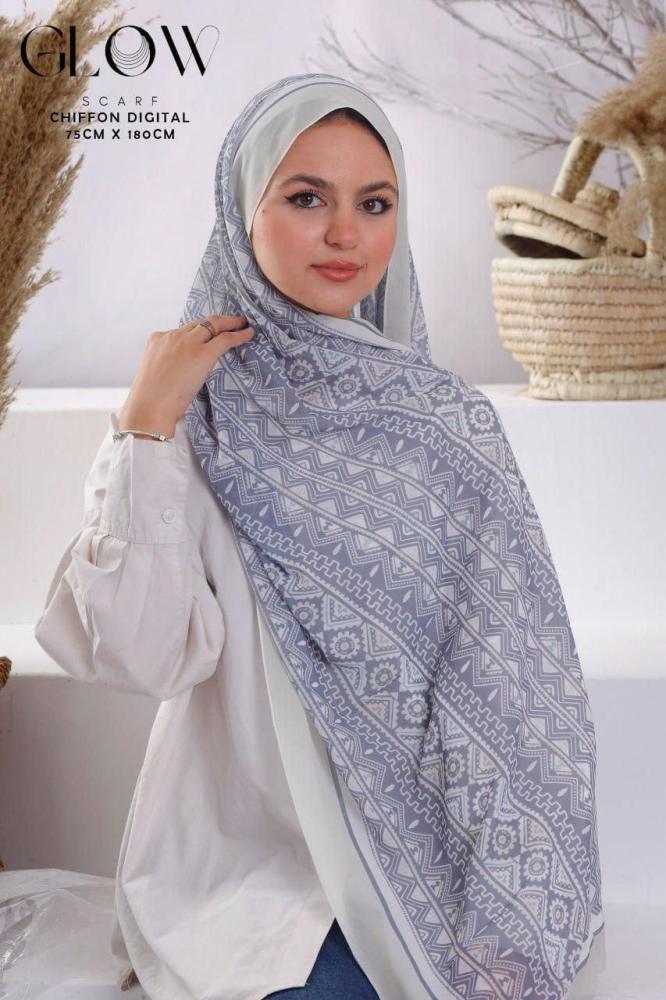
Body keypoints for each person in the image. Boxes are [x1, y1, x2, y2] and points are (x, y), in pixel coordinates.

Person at [34, 73, 604, 1000]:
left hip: (427, 864)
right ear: (240, 211)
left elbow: (510, 677)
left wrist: (502, 882)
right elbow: (140, 656)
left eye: (374, 204)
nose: (347, 235)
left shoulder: (443, 423)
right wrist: (144, 428)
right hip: (250, 875)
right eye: (307, 199)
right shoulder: (190, 417)